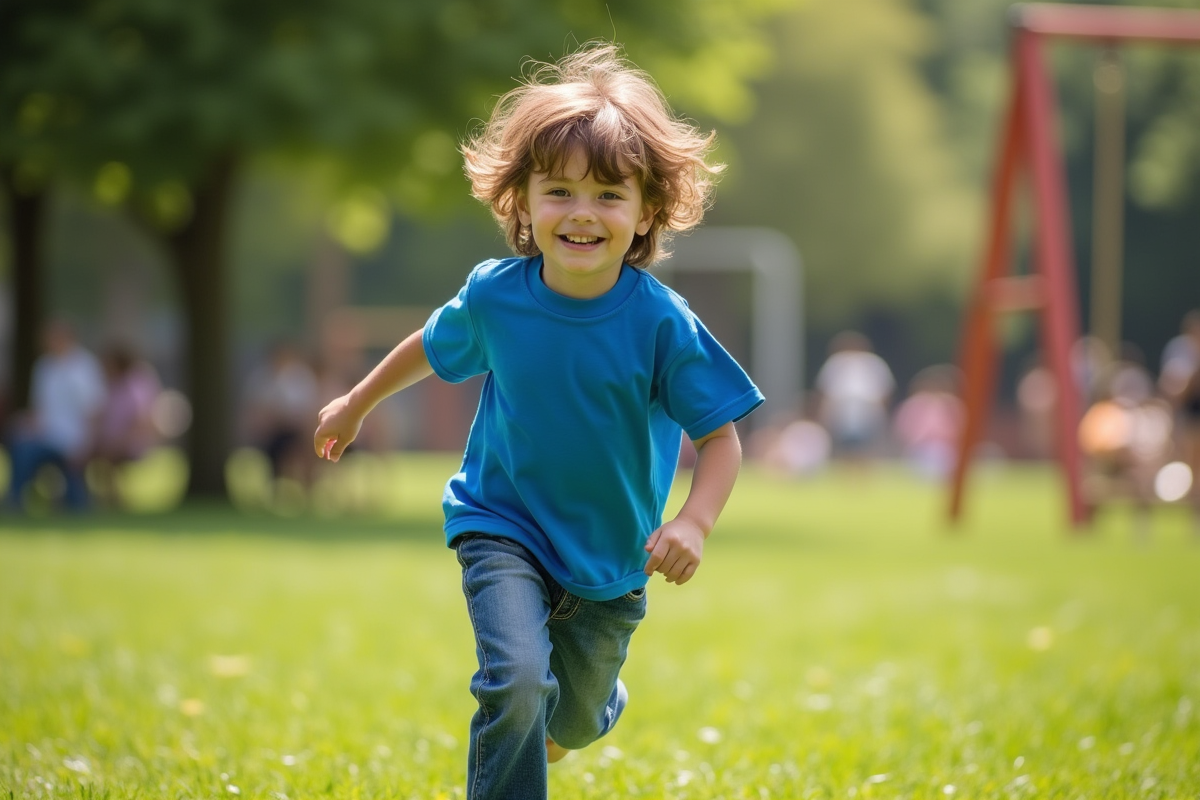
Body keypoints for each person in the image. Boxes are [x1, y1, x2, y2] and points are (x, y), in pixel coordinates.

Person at [313, 45, 763, 800]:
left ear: (648, 210)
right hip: (502, 522)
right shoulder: (497, 297)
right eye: (558, 191)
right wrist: (356, 402)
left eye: (609, 196)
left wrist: (695, 522)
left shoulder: (661, 323)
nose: (582, 213)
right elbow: (430, 344)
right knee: (517, 682)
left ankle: (583, 707)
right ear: (519, 200)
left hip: (609, 558)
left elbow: (721, 437)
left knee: (573, 722)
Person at [5, 320, 106, 511]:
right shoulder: (44, 367)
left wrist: (86, 444)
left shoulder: (84, 366)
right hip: (46, 435)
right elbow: (39, 409)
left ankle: (18, 498)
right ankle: (17, 499)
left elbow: (94, 410)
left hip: (73, 440)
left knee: (26, 452)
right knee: (19, 442)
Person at [89, 344, 162, 506]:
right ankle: (94, 497)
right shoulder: (109, 385)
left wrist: (118, 441)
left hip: (132, 442)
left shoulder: (136, 383)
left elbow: (141, 420)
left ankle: (111, 499)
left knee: (107, 454)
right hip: (111, 440)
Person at [814, 331, 894, 460]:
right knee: (845, 443)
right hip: (842, 407)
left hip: (868, 407)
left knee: (867, 443)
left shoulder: (873, 363)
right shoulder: (836, 362)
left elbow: (884, 390)